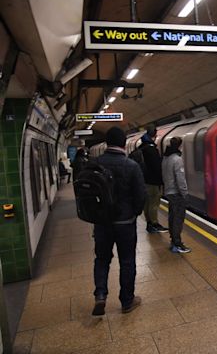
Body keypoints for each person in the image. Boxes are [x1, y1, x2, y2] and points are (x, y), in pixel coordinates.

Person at [92, 126, 146, 316]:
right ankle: (127, 301)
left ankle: (100, 294)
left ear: (107, 143)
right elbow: (141, 196)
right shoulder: (131, 166)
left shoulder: (95, 163)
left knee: (102, 259)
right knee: (127, 261)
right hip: (125, 223)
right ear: (124, 143)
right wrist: (134, 214)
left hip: (102, 223)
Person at [162, 136, 191, 253]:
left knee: (172, 217)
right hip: (176, 193)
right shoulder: (177, 159)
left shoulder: (166, 158)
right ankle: (177, 243)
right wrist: (185, 193)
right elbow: (180, 178)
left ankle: (173, 241)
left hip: (169, 191)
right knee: (178, 219)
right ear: (180, 145)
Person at [139, 125, 167, 233]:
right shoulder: (151, 149)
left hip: (144, 180)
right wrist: (161, 181)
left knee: (147, 203)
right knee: (154, 203)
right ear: (154, 135)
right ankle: (154, 223)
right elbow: (156, 167)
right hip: (153, 181)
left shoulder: (142, 147)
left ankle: (149, 223)